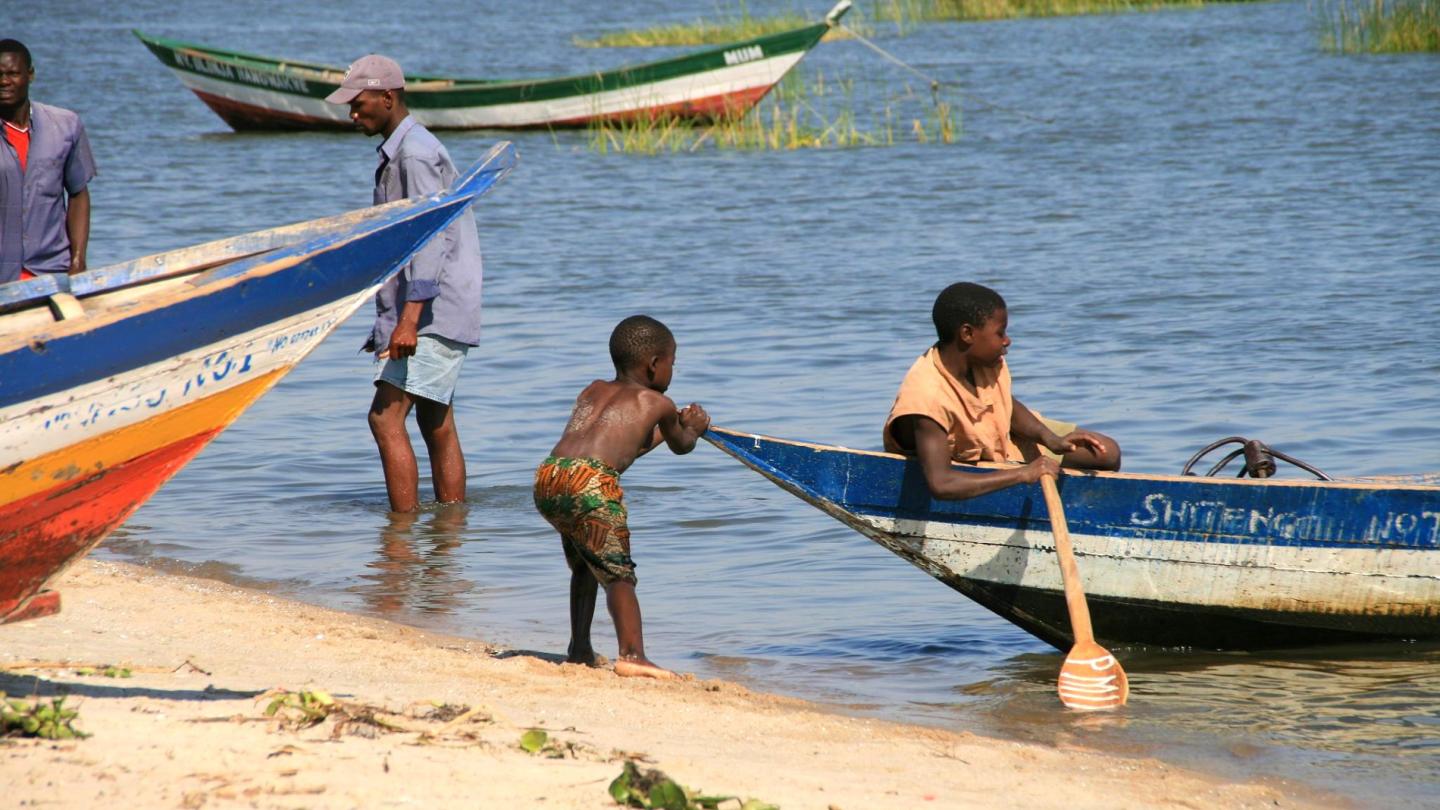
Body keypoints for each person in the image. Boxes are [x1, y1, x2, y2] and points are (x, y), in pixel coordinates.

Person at [325, 55, 484, 513]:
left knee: (385, 418)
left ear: (388, 98)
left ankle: (401, 542)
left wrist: (409, 321)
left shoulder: (414, 154)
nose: (352, 115)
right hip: (437, 307)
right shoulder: (408, 148)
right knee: (436, 420)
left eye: (358, 105)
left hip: (432, 311)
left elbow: (429, 240)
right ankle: (448, 535)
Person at [533, 315, 710, 680]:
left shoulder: (592, 390)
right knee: (618, 575)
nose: (672, 370)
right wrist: (693, 427)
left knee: (586, 562)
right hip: (593, 484)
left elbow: (623, 445)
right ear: (654, 365)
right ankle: (633, 655)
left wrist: (669, 430)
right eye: (673, 362)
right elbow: (682, 445)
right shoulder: (657, 403)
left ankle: (579, 648)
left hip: (551, 475)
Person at [884, 282, 1121, 500]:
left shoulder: (985, 360)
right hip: (967, 458)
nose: (1007, 341)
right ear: (967, 334)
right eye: (1000, 333)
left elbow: (1004, 403)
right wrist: (1023, 474)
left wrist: (1050, 439)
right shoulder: (927, 396)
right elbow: (942, 484)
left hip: (1001, 437)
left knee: (1106, 454)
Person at [0, 39, 96, 284]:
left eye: (12, 73)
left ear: (30, 75)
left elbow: (78, 194)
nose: (4, 82)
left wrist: (77, 261)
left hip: (52, 273)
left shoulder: (65, 125)